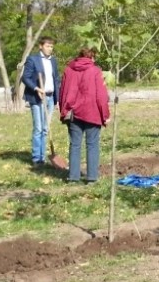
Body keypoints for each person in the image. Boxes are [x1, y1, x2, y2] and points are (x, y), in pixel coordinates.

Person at [57, 47, 110, 183]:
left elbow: (62, 92)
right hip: (92, 113)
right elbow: (101, 96)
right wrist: (105, 115)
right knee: (92, 144)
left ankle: (73, 177)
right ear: (92, 57)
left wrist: (63, 111)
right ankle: (91, 177)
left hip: (73, 113)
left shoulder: (68, 70)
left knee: (75, 144)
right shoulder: (95, 71)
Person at [21, 37, 60, 168]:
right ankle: (37, 158)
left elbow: (56, 79)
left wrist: (57, 99)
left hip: (50, 97)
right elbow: (25, 77)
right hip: (37, 97)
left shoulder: (53, 61)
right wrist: (36, 88)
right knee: (38, 128)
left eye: (51, 46)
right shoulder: (33, 59)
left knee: (45, 128)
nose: (50, 48)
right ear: (41, 46)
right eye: (48, 46)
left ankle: (43, 157)